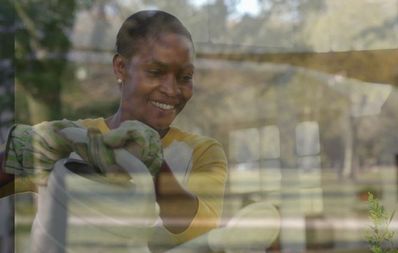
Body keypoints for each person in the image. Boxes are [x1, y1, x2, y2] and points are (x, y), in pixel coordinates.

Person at [0, 10, 228, 247]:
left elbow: (202, 230)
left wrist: (155, 165)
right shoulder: (73, 140)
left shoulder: (200, 152)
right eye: (155, 72)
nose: (171, 90)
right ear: (121, 67)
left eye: (185, 76)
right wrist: (25, 150)